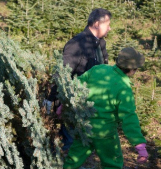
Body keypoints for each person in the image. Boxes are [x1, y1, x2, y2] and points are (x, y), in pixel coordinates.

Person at [62, 47, 149, 169]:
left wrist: (64, 103)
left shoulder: (99, 68)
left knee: (76, 154)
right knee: (112, 163)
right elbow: (129, 117)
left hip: (84, 125)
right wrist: (139, 144)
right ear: (132, 69)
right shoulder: (123, 88)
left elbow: (76, 84)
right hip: (104, 132)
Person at [44, 8, 112, 155]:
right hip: (73, 101)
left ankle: (72, 165)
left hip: (91, 101)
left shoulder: (100, 44)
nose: (110, 28)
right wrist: (51, 99)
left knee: (80, 138)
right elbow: (62, 73)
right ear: (96, 23)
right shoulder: (77, 44)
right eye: (107, 24)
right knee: (69, 139)